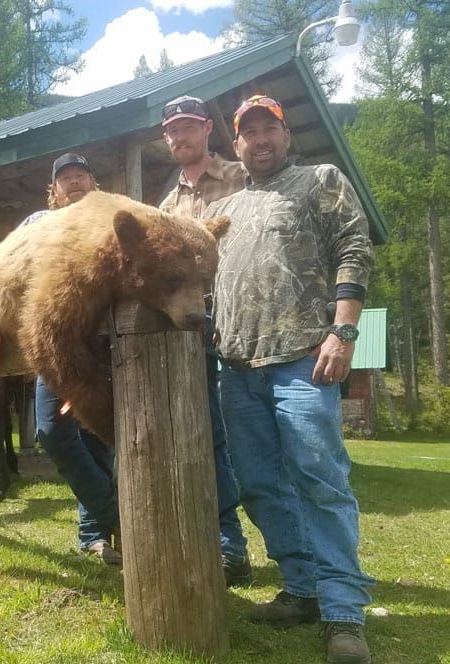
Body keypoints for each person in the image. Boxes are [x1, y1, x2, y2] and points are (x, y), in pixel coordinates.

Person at [205, 95, 375, 664]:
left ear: (285, 134)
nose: (259, 138)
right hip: (237, 369)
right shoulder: (226, 207)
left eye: (268, 128)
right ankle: (302, 589)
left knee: (320, 481)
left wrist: (343, 332)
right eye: (248, 131)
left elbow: (354, 249)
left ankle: (343, 614)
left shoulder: (319, 180)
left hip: (304, 356)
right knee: (257, 484)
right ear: (236, 146)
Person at [158, 95, 251, 587]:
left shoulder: (241, 178)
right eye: (172, 131)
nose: (179, 137)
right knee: (207, 434)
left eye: (188, 127)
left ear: (208, 129)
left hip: (243, 322)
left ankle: (301, 559)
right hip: (193, 329)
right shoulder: (165, 206)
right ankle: (228, 544)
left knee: (251, 437)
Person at [19, 153, 121, 565]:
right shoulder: (34, 223)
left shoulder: (114, 218)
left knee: (98, 436)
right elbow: (14, 268)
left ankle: (94, 536)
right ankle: (117, 515)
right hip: (57, 348)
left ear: (93, 182)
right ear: (54, 188)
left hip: (106, 349)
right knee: (51, 432)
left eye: (81, 175)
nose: (74, 182)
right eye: (66, 178)